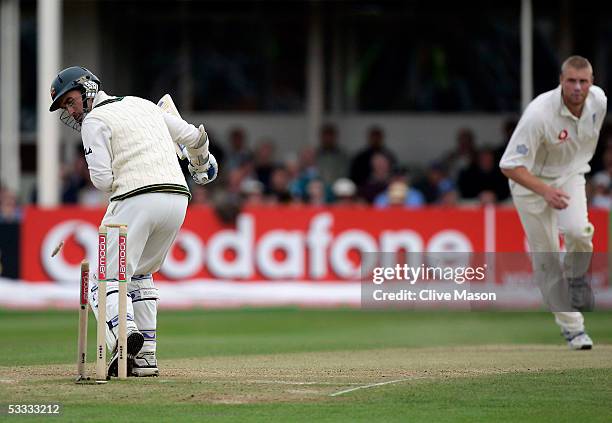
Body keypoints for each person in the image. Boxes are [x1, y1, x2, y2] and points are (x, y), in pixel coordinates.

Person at [49, 66, 218, 376]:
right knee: (139, 275)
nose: (71, 111)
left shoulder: (95, 121)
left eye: (70, 101)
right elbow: (195, 136)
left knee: (103, 280)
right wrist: (201, 162)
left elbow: (102, 180)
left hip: (136, 197)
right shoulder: (142, 104)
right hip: (178, 198)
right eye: (65, 107)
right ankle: (145, 358)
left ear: (87, 89)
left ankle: (124, 337)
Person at [499, 56, 607, 350]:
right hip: (529, 184)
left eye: (583, 81)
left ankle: (575, 279)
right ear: (561, 80)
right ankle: (573, 329)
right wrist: (545, 190)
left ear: (592, 82)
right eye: (571, 80)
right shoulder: (539, 114)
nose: (577, 87)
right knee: (546, 259)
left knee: (578, 232)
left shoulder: (599, 101)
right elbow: (509, 165)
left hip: (569, 175)